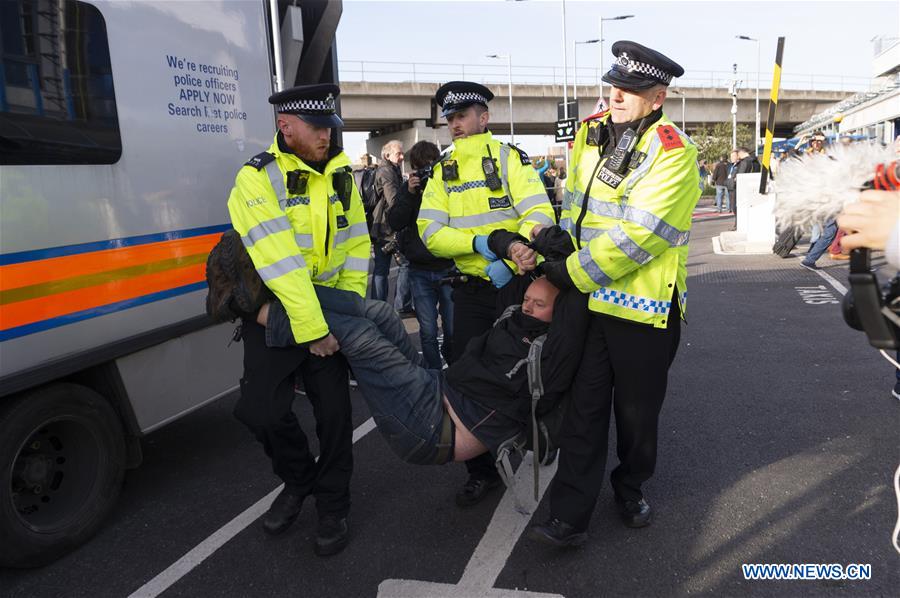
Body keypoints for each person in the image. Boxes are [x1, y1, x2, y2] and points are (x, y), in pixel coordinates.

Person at [529, 40, 701, 546]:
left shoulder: (673, 152)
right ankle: (569, 518)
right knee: (583, 411)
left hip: (641, 307)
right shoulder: (589, 133)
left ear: (658, 97)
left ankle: (630, 487)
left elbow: (641, 236)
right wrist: (556, 244)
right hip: (588, 299)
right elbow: (578, 205)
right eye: (614, 86)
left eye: (631, 89)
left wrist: (566, 273)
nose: (618, 95)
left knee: (636, 415)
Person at [226, 83, 370, 557]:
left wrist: (345, 312)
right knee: (260, 412)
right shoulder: (256, 179)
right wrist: (316, 332)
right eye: (318, 126)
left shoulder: (341, 174)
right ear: (285, 127)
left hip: (328, 314)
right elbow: (281, 262)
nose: (328, 134)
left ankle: (333, 503)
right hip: (276, 316)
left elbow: (355, 248)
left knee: (334, 416)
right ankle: (298, 479)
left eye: (331, 125)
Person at [259, 274, 589, 465]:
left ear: (558, 315)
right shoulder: (515, 319)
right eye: (528, 299)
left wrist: (572, 270)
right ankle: (279, 286)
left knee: (362, 338)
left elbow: (574, 313)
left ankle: (256, 311)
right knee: (383, 314)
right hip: (436, 390)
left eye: (539, 304)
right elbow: (518, 284)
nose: (527, 306)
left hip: (435, 429)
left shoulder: (552, 350)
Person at [417, 81, 557, 507]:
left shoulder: (510, 159)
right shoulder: (442, 172)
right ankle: (480, 471)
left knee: (531, 370)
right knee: (465, 372)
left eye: (463, 115)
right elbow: (430, 233)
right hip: (473, 289)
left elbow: (539, 212)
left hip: (514, 283)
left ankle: (540, 436)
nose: (455, 124)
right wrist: (483, 245)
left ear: (484, 117)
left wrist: (515, 254)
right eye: (450, 118)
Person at [387, 140, 456, 369]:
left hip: (448, 267)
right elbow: (395, 221)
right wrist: (409, 193)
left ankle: (454, 372)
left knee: (452, 329)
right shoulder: (410, 191)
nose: (426, 174)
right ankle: (434, 376)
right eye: (421, 169)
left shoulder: (448, 186)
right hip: (420, 270)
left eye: (430, 167)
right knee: (427, 332)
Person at [371, 140, 408, 308]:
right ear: (387, 155)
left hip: (381, 226)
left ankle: (379, 307)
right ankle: (399, 306)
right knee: (403, 265)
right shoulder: (386, 171)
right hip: (387, 227)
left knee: (381, 268)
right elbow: (393, 199)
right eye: (398, 153)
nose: (402, 157)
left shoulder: (389, 169)